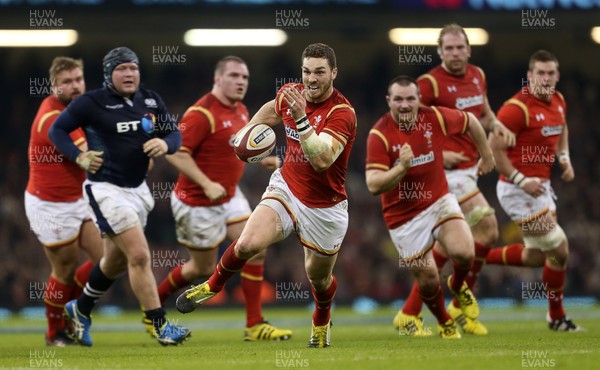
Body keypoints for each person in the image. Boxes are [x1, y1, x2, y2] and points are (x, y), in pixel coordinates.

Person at [175, 43, 356, 348]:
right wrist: (248, 130)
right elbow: (272, 110)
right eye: (307, 71)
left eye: (320, 72)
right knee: (247, 243)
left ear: (334, 73)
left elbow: (322, 159)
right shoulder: (291, 93)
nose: (311, 79)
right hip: (286, 186)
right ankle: (211, 286)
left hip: (325, 206)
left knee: (318, 278)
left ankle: (321, 320)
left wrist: (301, 119)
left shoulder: (342, 114)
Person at [49, 47, 190, 346]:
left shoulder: (149, 100)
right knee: (139, 255)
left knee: (113, 262)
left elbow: (174, 135)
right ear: (109, 75)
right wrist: (79, 156)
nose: (129, 74)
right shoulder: (92, 102)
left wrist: (165, 146)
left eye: (133, 68)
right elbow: (57, 130)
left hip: (138, 190)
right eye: (122, 69)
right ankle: (160, 324)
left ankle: (80, 309)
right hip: (105, 190)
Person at [156, 55, 292, 341]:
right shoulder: (201, 113)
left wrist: (263, 158)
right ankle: (154, 302)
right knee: (201, 268)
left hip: (229, 197)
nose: (240, 81)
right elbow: (176, 153)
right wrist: (205, 184)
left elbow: (233, 149)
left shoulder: (242, 110)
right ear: (218, 79)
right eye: (233, 76)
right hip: (196, 201)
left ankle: (255, 324)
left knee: (255, 247)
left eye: (244, 77)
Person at [395, 23, 515, 335]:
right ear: (440, 52)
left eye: (460, 47)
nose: (455, 53)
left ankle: (411, 313)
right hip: (444, 174)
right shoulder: (430, 83)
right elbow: (408, 122)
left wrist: (498, 124)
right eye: (448, 48)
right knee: (487, 229)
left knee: (452, 245)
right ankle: (460, 297)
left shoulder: (478, 76)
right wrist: (436, 153)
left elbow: (484, 113)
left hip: (468, 172)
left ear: (468, 50)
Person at [366, 75, 495, 338]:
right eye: (398, 99)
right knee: (427, 280)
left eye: (410, 98)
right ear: (389, 101)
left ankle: (458, 285)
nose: (404, 105)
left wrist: (487, 153)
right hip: (403, 218)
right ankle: (445, 321)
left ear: (419, 99)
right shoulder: (379, 135)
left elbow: (470, 121)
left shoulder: (433, 116)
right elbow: (373, 184)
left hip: (438, 200)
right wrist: (401, 168)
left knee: (464, 252)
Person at [486, 50, 582, 332]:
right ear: (530, 76)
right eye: (540, 73)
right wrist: (520, 179)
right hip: (517, 191)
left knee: (538, 257)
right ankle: (556, 317)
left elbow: (561, 128)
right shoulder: (516, 108)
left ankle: (472, 255)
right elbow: (494, 148)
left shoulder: (559, 101)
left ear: (557, 75)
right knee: (560, 247)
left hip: (541, 189)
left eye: (551, 73)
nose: (546, 78)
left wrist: (564, 158)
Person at [25, 56, 103, 347]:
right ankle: (53, 331)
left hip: (79, 197)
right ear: (54, 86)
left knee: (110, 259)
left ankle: (72, 308)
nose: (75, 86)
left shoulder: (80, 109)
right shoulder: (54, 118)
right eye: (67, 82)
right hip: (50, 205)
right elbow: (92, 157)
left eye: (78, 79)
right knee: (65, 269)